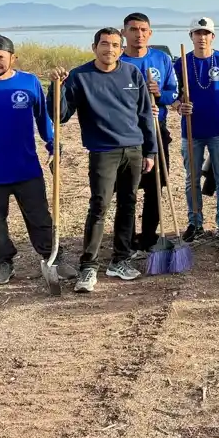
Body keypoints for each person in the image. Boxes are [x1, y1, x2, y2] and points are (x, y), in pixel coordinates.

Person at [0, 35, 77, 286]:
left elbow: (44, 121)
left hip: (26, 168)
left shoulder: (29, 83)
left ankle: (54, 258)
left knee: (40, 218)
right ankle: (4, 263)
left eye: (0, 57)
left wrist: (54, 147)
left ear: (12, 58)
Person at [49, 28, 156, 293]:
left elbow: (144, 114)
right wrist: (56, 87)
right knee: (99, 206)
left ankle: (120, 259)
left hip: (134, 149)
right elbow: (60, 116)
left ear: (121, 48)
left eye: (115, 45)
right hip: (103, 151)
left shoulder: (132, 73)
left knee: (128, 203)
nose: (110, 49)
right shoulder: (80, 76)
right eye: (105, 44)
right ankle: (89, 266)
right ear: (94, 47)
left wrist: (150, 151)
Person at [119, 12, 179, 254]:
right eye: (133, 29)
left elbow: (173, 92)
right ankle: (128, 237)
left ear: (150, 33)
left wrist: (159, 94)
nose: (139, 34)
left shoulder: (161, 59)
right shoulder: (118, 61)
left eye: (143, 30)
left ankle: (149, 236)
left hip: (156, 129)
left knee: (155, 186)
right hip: (127, 132)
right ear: (124, 33)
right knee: (128, 187)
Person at [175, 17, 219, 244]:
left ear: (213, 36)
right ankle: (195, 222)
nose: (202, 38)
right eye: (197, 33)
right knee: (191, 179)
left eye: (206, 33)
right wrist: (179, 105)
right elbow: (172, 95)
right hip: (191, 131)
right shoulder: (181, 62)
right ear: (191, 36)